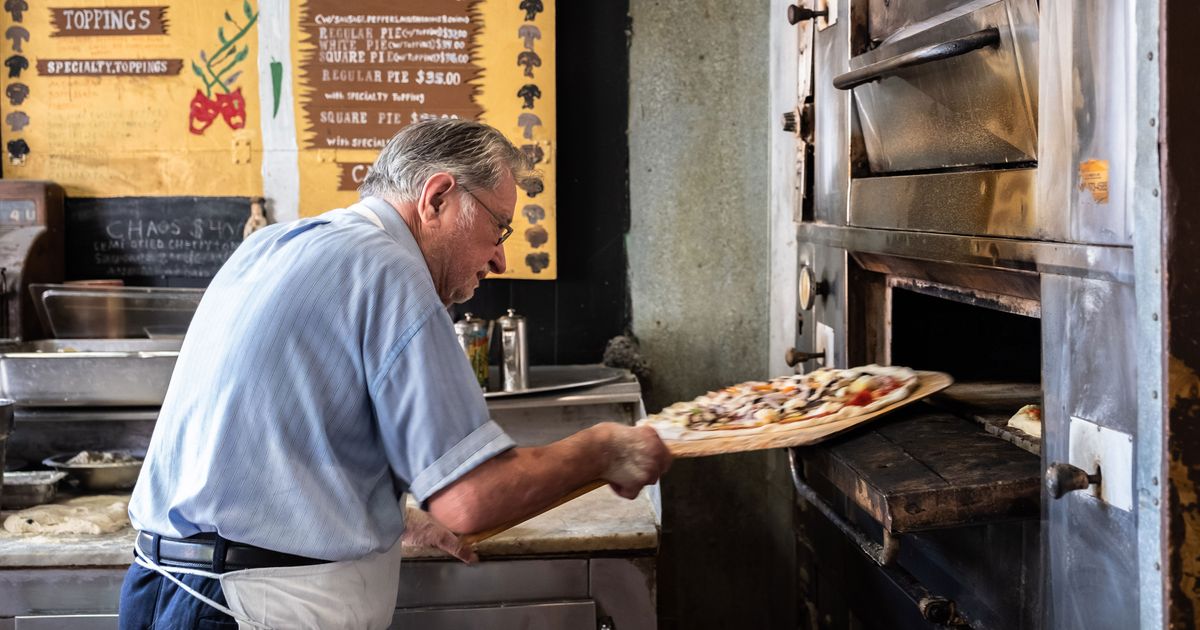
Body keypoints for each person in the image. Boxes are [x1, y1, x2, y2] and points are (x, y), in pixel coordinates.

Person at [119, 119, 673, 630]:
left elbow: (278, 426)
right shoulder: (390, 268)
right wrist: (605, 450)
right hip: (252, 604)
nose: (500, 260)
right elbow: (471, 500)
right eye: (498, 229)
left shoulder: (276, 244)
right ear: (438, 198)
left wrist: (388, 512)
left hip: (160, 586)